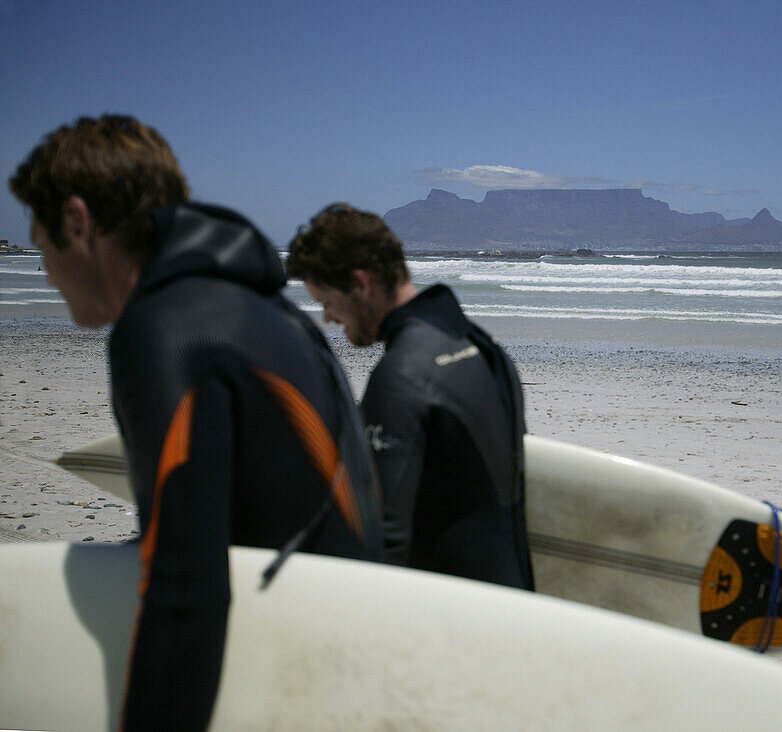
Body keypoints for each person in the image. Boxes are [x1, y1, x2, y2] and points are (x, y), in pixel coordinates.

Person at [9, 116, 383, 730]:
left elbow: (187, 594)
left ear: (78, 222)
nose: (44, 269)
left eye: (41, 241)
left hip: (305, 683)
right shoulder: (261, 309)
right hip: (360, 642)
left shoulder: (163, 329)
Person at [286, 203, 534, 591]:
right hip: (512, 592)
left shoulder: (402, 377)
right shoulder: (482, 345)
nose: (328, 319)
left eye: (327, 302)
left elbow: (382, 539)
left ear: (361, 284)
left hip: (453, 618)